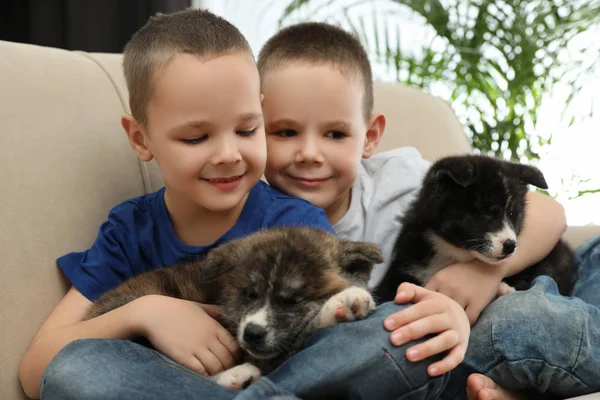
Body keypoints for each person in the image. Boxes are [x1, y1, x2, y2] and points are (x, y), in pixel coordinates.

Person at [20, 10, 467, 400]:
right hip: (171, 382)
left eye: (248, 129)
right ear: (140, 138)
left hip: (290, 372)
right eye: (197, 137)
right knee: (73, 372)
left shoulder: (295, 221)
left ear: (262, 111)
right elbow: (38, 366)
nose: (229, 154)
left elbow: (335, 340)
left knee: (401, 332)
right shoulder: (129, 231)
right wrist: (146, 311)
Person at [258, 21, 600, 399]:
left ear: (369, 137)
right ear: (254, 129)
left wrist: (484, 271)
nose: (309, 153)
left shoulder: (399, 177)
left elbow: (549, 212)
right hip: (445, 341)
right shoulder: (252, 217)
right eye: (285, 132)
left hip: (526, 289)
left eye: (335, 134)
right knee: (523, 320)